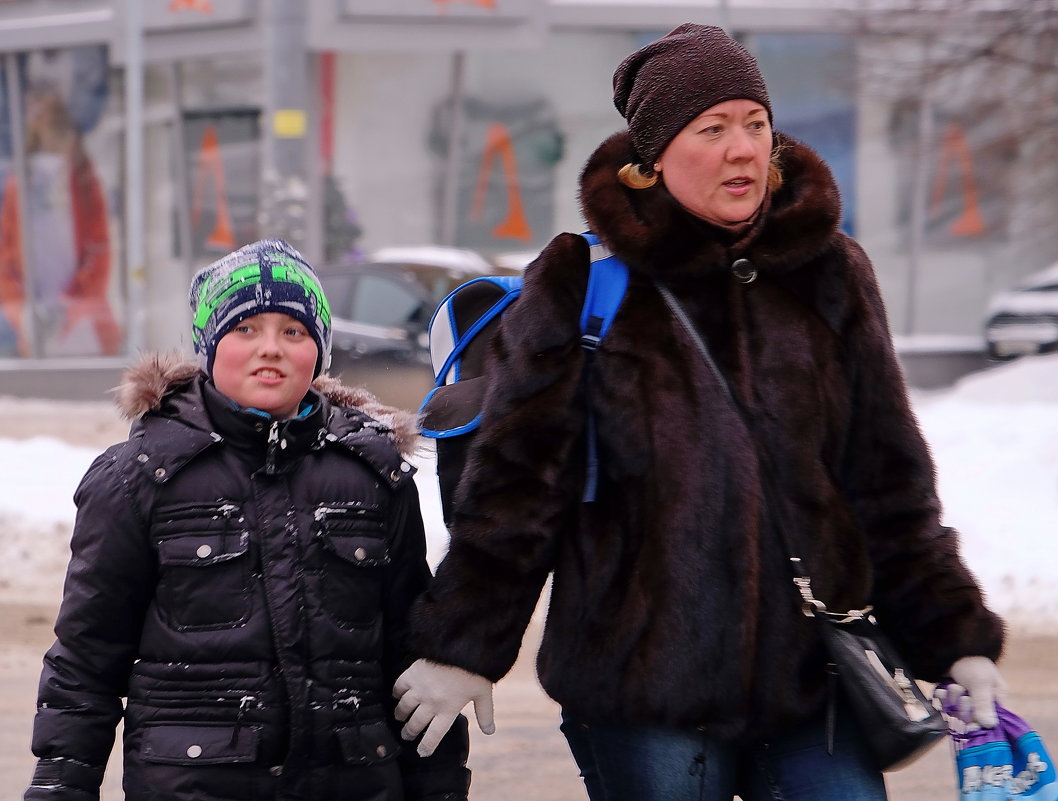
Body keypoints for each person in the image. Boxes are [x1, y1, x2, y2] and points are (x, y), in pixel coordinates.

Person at [391, 24, 1007, 801]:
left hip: (811, 683)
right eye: (711, 129)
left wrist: (954, 638)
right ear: (651, 160)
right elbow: (517, 488)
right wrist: (464, 645)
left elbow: (889, 485)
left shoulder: (832, 274)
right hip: (642, 690)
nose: (742, 149)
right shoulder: (584, 282)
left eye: (754, 124)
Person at [24, 239, 470, 801]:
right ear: (209, 345)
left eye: (294, 331)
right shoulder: (138, 476)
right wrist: (61, 783)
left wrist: (442, 786)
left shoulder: (375, 473)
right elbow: (87, 656)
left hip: (352, 780)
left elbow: (409, 653)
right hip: (195, 783)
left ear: (319, 350)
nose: (272, 349)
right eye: (245, 329)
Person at [0, 78, 121, 357]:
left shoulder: (82, 182)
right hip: (36, 318)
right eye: (39, 113)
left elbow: (98, 248)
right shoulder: (19, 181)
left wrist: (75, 301)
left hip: (81, 321)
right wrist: (21, 307)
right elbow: (6, 255)